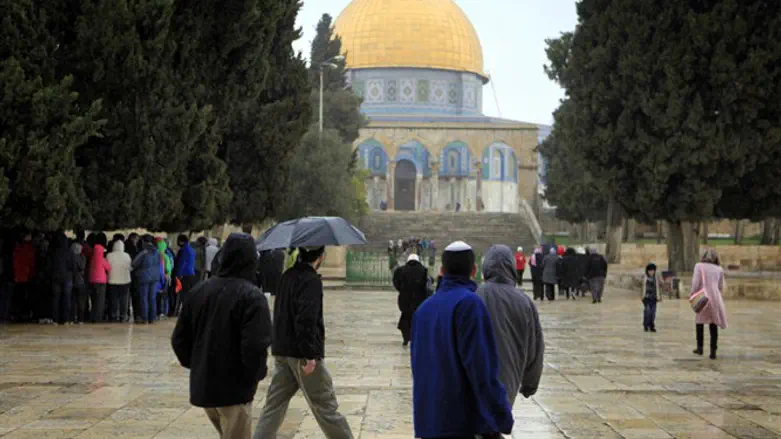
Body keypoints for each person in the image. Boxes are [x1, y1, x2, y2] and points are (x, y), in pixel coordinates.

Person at [172, 233, 272, 439]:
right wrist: (255, 374)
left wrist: (199, 364)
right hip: (234, 389)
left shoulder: (199, 291)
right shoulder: (252, 297)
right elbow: (255, 345)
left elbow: (179, 339)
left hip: (205, 386)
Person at [411, 240, 514, 439]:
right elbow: (482, 369)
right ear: (474, 270)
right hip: (462, 422)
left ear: (442, 270)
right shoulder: (470, 304)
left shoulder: (423, 309)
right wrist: (501, 416)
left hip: (430, 422)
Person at [254, 247, 354, 439]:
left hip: (282, 350)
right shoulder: (310, 280)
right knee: (325, 405)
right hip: (301, 354)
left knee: (274, 405)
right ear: (320, 257)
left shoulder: (287, 276)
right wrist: (310, 355)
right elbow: (306, 319)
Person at [476, 245, 545, 407]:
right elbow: (535, 348)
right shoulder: (524, 302)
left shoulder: (474, 296)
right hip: (509, 382)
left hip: (474, 381)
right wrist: (530, 383)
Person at [691, 249, 728, 360]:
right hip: (715, 297)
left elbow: (695, 283)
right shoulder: (719, 269)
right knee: (713, 324)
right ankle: (713, 351)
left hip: (703, 297)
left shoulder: (699, 266)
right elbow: (720, 286)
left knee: (699, 322)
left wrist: (692, 294)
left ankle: (700, 347)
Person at [392, 253, 429, 347]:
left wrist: (402, 290)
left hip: (405, 300)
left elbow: (396, 282)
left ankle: (406, 338)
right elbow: (426, 285)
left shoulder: (400, 270)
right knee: (418, 319)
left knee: (405, 318)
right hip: (419, 299)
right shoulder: (424, 270)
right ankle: (416, 338)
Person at [48, 232, 77, 325]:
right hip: (67, 277)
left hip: (55, 277)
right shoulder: (70, 252)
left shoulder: (53, 252)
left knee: (55, 299)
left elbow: (49, 266)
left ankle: (55, 319)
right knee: (67, 298)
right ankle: (65, 319)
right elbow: (73, 266)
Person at [133, 235, 162, 324]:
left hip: (144, 277)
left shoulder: (143, 252)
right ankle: (152, 318)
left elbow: (134, 263)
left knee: (144, 298)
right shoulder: (157, 252)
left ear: (143, 241)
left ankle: (144, 318)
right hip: (155, 277)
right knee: (152, 298)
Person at [11, 231, 36, 322]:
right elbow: (32, 263)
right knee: (26, 297)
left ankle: (16, 314)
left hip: (18, 276)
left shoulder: (17, 248)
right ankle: (24, 315)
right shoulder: (30, 248)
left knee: (17, 297)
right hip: (27, 276)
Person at [87, 233, 111, 323]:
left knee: (93, 300)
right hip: (101, 282)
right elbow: (108, 268)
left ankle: (92, 317)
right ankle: (98, 318)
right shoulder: (102, 259)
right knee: (100, 301)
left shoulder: (92, 258)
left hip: (92, 281)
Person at [107, 239, 132, 322]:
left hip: (112, 280)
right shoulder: (127, 255)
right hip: (125, 281)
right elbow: (130, 267)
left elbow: (107, 267)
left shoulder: (109, 255)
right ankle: (123, 316)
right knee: (124, 300)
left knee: (113, 299)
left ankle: (113, 315)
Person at [175, 235, 197, 307]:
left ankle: (179, 309)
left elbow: (181, 263)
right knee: (188, 294)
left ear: (181, 241)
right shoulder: (192, 249)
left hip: (184, 275)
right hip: (191, 273)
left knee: (181, 294)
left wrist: (177, 275)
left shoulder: (183, 250)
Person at [71, 241, 88, 324]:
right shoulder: (82, 257)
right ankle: (81, 319)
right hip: (81, 281)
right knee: (81, 301)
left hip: (71, 281)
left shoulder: (70, 257)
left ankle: (72, 318)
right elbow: (83, 267)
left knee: (72, 301)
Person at [642, 263, 662, 332]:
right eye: (650, 270)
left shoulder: (656, 278)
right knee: (647, 311)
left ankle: (651, 325)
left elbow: (661, 285)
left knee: (653, 313)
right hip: (646, 298)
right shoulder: (644, 277)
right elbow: (641, 287)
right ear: (647, 271)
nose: (651, 272)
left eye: (653, 270)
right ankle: (646, 325)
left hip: (654, 298)